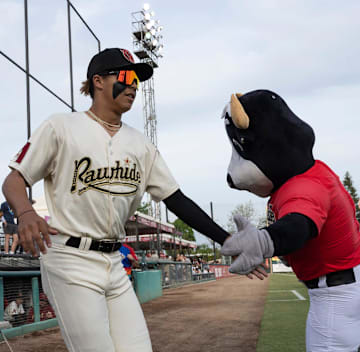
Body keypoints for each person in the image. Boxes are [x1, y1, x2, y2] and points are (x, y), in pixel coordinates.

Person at [2, 47, 231, 352]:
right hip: (71, 259)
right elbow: (14, 179)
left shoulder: (141, 144)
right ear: (98, 81)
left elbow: (177, 200)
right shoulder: (61, 127)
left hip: (114, 263)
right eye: (127, 76)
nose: (134, 85)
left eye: (138, 80)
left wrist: (226, 239)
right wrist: (26, 212)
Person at [220, 90, 360, 351]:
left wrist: (265, 240)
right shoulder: (311, 172)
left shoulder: (302, 186)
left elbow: (299, 225)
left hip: (334, 293)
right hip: (344, 282)